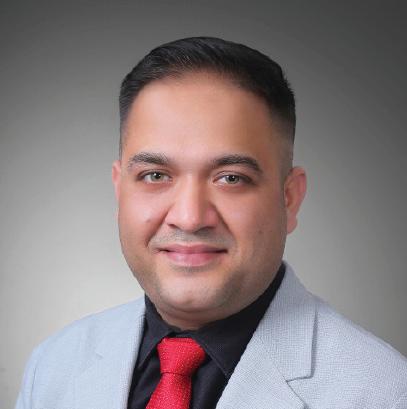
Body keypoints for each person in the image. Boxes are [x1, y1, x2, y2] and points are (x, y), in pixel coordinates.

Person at [15, 36, 407, 409]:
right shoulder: (54, 364)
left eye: (231, 178)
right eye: (155, 175)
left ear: (289, 198)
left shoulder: (383, 393)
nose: (189, 218)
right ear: (120, 190)